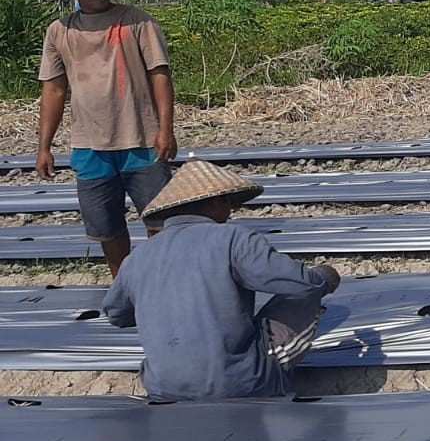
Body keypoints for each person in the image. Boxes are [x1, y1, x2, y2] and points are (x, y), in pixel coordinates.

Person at [102, 160, 342, 401]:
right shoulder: (233, 239)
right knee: (307, 290)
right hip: (240, 382)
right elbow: (297, 282)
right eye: (228, 202)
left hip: (163, 389)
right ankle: (271, 378)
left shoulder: (138, 257)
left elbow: (116, 314)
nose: (230, 211)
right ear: (215, 202)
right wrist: (325, 277)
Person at [35, 0, 177, 276]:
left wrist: (165, 129)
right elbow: (54, 89)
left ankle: (162, 283)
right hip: (89, 145)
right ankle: (124, 287)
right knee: (107, 228)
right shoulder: (60, 31)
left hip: (140, 139)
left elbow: (160, 74)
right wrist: (44, 147)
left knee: (160, 220)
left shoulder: (136, 21)